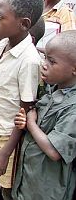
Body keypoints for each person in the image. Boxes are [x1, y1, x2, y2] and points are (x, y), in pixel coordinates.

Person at [0, 0, 44, 200]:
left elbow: (24, 111)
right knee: (0, 181)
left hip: (10, 136)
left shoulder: (29, 61)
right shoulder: (2, 44)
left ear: (24, 24)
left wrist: (6, 151)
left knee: (8, 187)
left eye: (0, 17)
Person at [13, 30, 76, 200]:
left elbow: (54, 151)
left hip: (47, 188)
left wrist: (32, 124)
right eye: (45, 57)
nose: (44, 64)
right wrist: (25, 123)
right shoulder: (53, 89)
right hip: (30, 178)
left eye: (52, 61)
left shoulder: (73, 108)